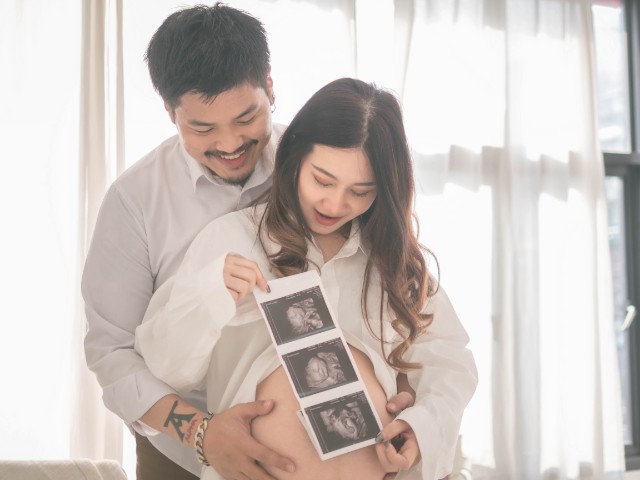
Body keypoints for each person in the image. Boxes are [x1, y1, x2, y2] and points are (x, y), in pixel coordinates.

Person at [81, 4, 413, 480]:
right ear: (169, 112)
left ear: (271, 87)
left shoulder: (318, 165)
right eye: (202, 128)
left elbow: (385, 288)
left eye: (246, 117)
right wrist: (202, 432)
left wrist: (402, 392)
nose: (230, 142)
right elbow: (112, 355)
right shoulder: (134, 203)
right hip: (182, 445)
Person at [135, 77, 478, 480]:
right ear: (295, 158)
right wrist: (210, 296)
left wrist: (421, 428)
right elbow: (165, 367)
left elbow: (451, 366)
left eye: (361, 191)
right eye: (323, 180)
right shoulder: (232, 241)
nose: (335, 204)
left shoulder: (394, 264)